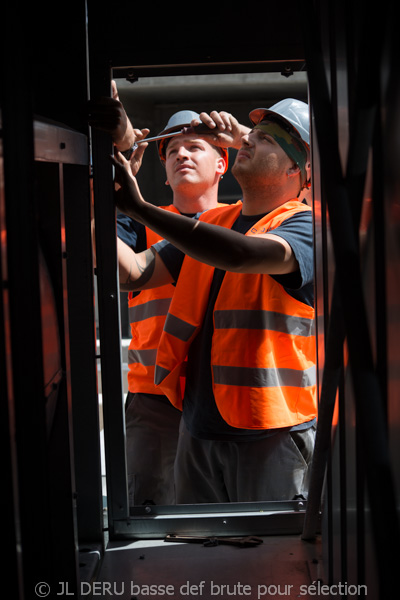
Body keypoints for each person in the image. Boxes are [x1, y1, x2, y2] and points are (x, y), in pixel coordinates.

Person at [111, 98, 317, 504]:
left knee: (274, 562)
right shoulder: (211, 223)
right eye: (249, 135)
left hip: (271, 433)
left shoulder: (305, 225)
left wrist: (139, 208)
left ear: (296, 169)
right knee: (198, 555)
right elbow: (132, 272)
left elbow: (241, 255)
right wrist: (101, 192)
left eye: (264, 139)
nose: (248, 141)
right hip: (198, 428)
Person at [88, 81, 229, 506]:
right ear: (162, 170)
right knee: (150, 515)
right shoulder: (140, 227)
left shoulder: (245, 224)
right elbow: (111, 258)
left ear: (223, 163)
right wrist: (109, 181)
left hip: (224, 393)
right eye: (171, 151)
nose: (181, 154)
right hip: (154, 399)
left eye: (194, 147)